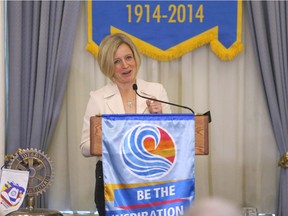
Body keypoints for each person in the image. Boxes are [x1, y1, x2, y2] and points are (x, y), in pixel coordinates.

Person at [80, 33, 172, 216]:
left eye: (128, 57)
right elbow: (84, 147)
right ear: (108, 66)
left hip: (151, 178)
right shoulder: (98, 98)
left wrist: (160, 117)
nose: (125, 65)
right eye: (116, 61)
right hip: (112, 179)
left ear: (135, 58)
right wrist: (113, 138)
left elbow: (170, 141)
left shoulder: (156, 91)